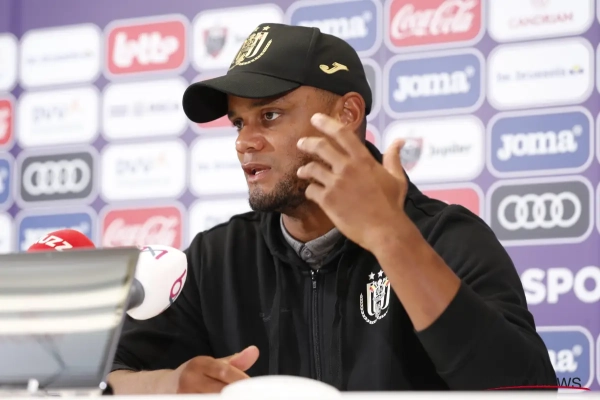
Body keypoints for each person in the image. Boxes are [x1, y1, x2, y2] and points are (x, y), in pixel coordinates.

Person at [107, 23, 556, 394]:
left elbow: (527, 389)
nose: (244, 141)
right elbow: (105, 377)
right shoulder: (217, 258)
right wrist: (167, 384)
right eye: (239, 122)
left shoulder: (445, 238)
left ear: (347, 114)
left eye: (270, 115)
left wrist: (391, 238)